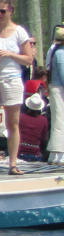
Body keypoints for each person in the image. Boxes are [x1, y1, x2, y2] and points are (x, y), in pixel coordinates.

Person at [0, 0, 35, 174]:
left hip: (12, 79)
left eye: (2, 11)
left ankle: (13, 163)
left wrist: (10, 54)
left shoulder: (19, 32)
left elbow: (29, 59)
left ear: (10, 11)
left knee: (13, 123)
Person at [43, 24, 64, 165]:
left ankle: (54, 155)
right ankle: (59, 155)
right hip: (59, 89)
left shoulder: (55, 50)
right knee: (60, 121)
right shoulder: (61, 53)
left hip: (55, 87)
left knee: (58, 120)